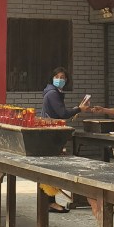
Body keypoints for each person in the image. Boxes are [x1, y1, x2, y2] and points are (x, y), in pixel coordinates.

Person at [40, 68, 89, 213]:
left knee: (49, 168)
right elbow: (62, 113)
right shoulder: (53, 93)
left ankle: (49, 201)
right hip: (50, 134)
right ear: (52, 78)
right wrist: (78, 109)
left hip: (49, 132)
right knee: (51, 168)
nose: (60, 79)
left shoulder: (53, 92)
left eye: (62, 77)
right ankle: (50, 202)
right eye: (57, 76)